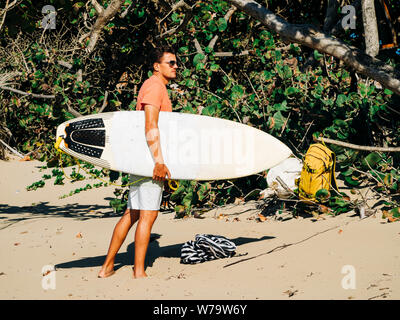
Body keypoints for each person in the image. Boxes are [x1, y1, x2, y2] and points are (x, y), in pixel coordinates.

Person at [98, 46, 178, 278]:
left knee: (132, 213)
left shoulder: (150, 85)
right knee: (148, 215)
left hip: (140, 158)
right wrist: (159, 162)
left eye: (175, 63)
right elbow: (150, 125)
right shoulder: (155, 87)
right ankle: (139, 271)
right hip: (149, 161)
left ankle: (107, 266)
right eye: (170, 63)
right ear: (157, 66)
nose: (175, 66)